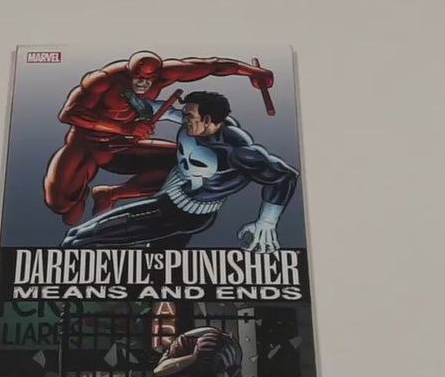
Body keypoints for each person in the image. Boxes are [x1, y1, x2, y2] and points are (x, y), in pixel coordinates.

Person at [43, 51, 274, 225]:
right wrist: (123, 128)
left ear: (157, 76)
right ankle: (80, 198)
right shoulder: (102, 80)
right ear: (129, 73)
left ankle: (112, 194)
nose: (143, 83)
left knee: (185, 165)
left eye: (148, 79)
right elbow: (69, 114)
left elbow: (211, 65)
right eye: (138, 77)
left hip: (124, 148)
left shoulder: (167, 75)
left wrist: (251, 72)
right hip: (86, 145)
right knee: (61, 205)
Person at [61, 91, 298, 250]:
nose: (184, 119)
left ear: (207, 119)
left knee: (77, 240)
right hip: (169, 198)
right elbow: (160, 110)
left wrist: (267, 222)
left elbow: (284, 176)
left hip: (184, 215)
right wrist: (132, 102)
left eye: (189, 116)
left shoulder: (238, 153)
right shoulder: (197, 125)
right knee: (154, 261)